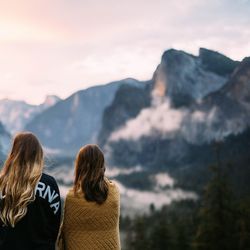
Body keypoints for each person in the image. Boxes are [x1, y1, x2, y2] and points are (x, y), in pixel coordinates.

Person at [0, 132, 61, 250]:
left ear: (13, 154)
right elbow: (55, 226)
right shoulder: (49, 183)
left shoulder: (2, 184)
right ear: (38, 154)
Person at [58, 144, 120, 250]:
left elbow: (66, 233)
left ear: (80, 166)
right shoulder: (114, 193)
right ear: (102, 166)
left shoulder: (72, 198)